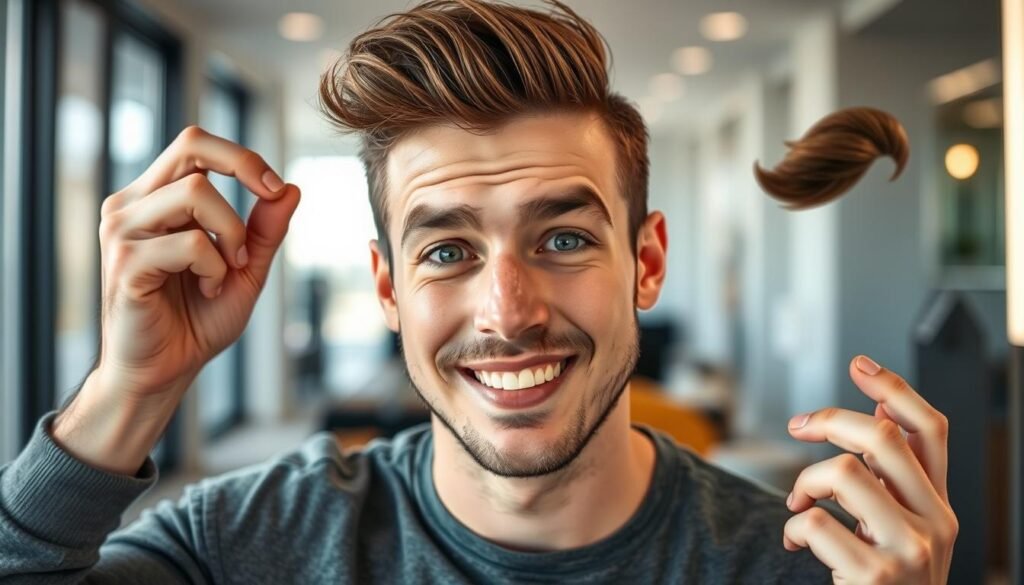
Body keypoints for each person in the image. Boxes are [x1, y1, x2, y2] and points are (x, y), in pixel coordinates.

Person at [0, 1, 957, 583]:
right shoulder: (245, 541)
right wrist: (127, 391)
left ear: (648, 262)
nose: (508, 311)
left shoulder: (794, 567)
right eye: (448, 251)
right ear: (386, 286)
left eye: (567, 237)